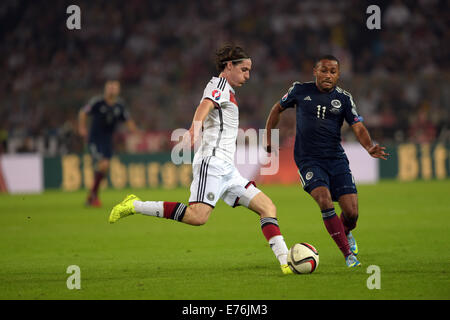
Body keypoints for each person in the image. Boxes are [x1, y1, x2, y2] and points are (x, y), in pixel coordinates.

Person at [109, 44, 293, 275]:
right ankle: (134, 205)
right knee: (197, 217)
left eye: (249, 70)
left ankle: (286, 262)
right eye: (244, 69)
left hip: (228, 169)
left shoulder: (229, 91)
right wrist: (194, 130)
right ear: (229, 66)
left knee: (267, 207)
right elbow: (205, 105)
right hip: (212, 163)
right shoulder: (219, 85)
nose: (248, 75)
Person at [264, 55, 389, 267]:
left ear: (338, 75)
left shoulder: (345, 99)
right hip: (308, 160)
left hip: (335, 159)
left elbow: (357, 126)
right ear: (315, 71)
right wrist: (269, 139)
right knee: (324, 199)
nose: (328, 75)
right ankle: (349, 255)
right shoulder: (299, 91)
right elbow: (276, 109)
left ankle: (346, 231)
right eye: (324, 70)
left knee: (352, 213)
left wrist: (369, 146)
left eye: (333, 72)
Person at [78, 80, 138, 207]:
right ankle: (94, 197)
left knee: (104, 168)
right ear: (105, 89)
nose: (111, 89)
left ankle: (91, 196)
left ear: (118, 90)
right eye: (109, 87)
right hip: (95, 139)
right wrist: (82, 128)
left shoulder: (119, 106)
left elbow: (128, 121)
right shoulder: (97, 102)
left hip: (108, 141)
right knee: (103, 164)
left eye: (114, 87)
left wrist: (136, 132)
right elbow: (83, 112)